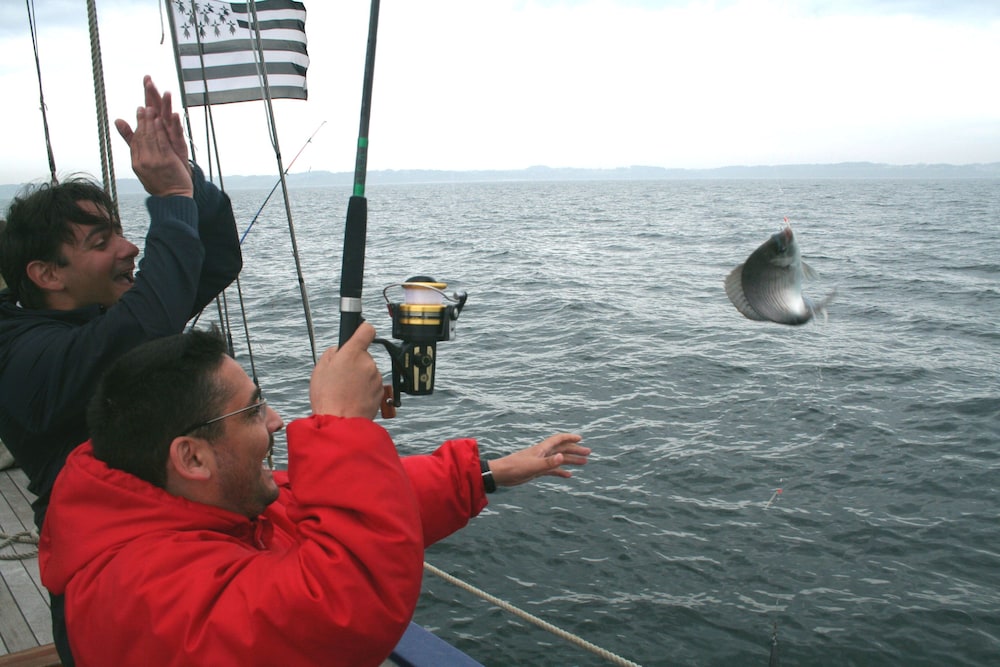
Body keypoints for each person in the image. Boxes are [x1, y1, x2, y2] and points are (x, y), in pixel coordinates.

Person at [38, 324, 590, 666]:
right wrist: (342, 424)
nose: (276, 421)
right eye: (252, 409)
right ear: (192, 457)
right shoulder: (142, 596)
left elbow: (306, 507)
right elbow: (340, 611)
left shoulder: (181, 507)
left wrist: (487, 474)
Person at [0, 76, 242, 664]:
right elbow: (145, 322)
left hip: (175, 554)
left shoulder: (112, 312)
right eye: (101, 239)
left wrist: (188, 184)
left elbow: (216, 261)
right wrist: (168, 202)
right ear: (47, 274)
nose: (129, 248)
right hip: (109, 593)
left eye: (123, 230)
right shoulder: (22, 353)